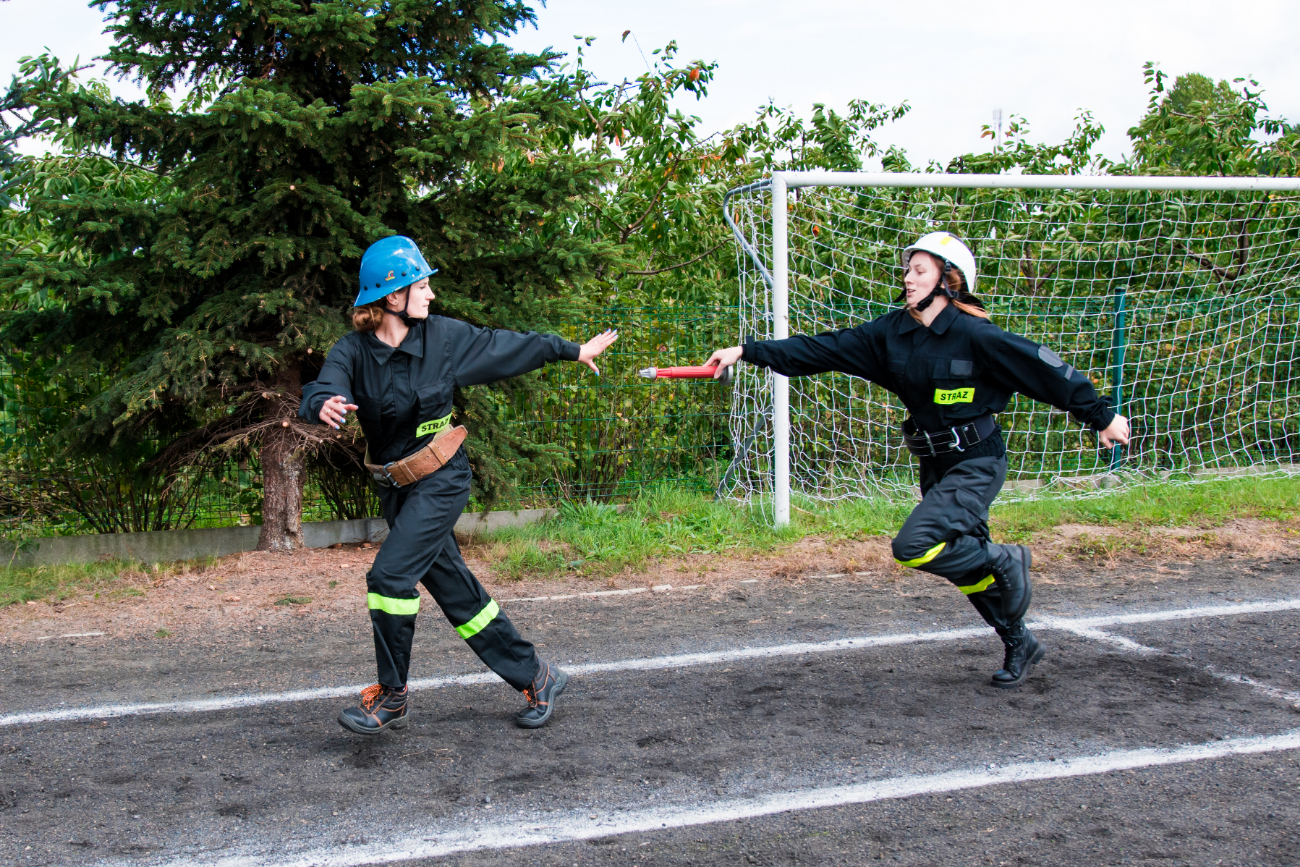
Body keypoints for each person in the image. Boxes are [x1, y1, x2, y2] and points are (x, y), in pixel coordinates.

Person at [705, 231, 1130, 688]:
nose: (908, 278)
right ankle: (1018, 640)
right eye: (908, 270)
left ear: (948, 280)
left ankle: (1008, 560)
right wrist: (747, 351)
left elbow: (1045, 369)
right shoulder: (892, 334)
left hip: (977, 462)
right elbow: (822, 348)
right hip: (935, 465)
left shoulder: (977, 335)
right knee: (969, 567)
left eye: (920, 270)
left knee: (914, 545)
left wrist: (1101, 416)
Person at [299, 235, 617, 734]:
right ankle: (537, 675)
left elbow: (506, 345)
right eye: (421, 286)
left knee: (389, 578)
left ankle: (393, 695)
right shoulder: (352, 351)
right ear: (392, 296)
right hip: (396, 489)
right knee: (459, 595)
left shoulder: (443, 339)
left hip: (443, 480)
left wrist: (571, 350)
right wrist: (324, 403)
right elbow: (325, 385)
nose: (430, 294)